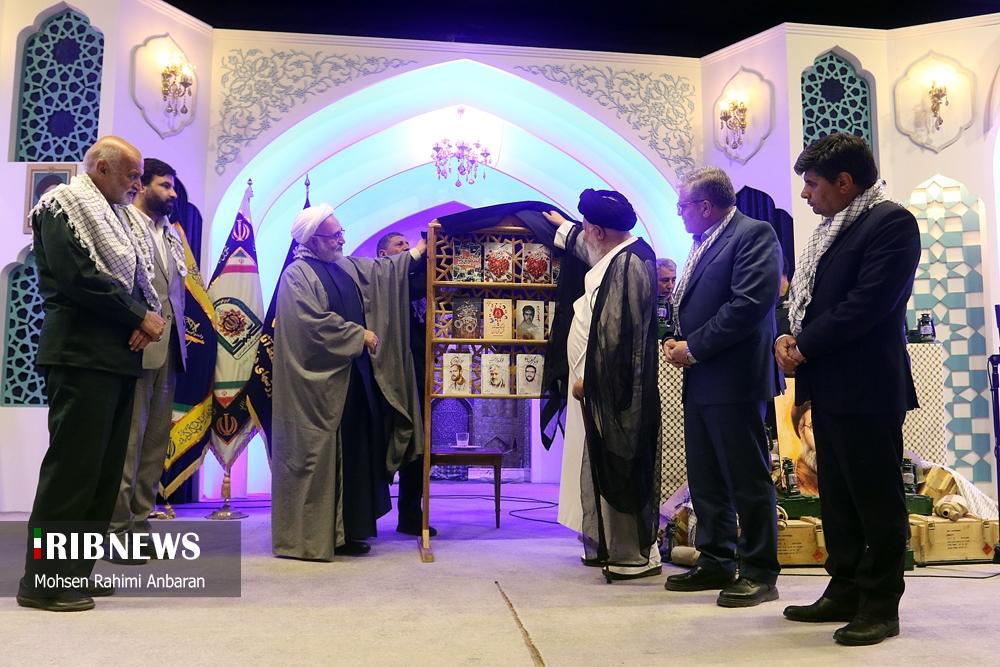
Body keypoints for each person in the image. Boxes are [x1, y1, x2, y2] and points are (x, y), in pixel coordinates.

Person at [776, 132, 920, 646]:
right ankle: (844, 589)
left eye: (812, 184)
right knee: (836, 496)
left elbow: (868, 303)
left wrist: (804, 345)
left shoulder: (891, 223)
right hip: (829, 386)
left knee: (875, 499)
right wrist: (787, 335)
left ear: (844, 182)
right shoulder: (834, 228)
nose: (805, 194)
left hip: (867, 387)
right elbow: (809, 300)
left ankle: (880, 605)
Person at [17, 136, 166, 612]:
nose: (137, 184)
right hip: (79, 355)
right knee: (72, 472)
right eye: (131, 174)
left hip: (117, 358)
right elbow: (79, 279)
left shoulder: (119, 218)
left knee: (102, 476)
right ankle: (42, 582)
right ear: (101, 168)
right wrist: (138, 316)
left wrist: (141, 319)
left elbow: (135, 282)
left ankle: (74, 573)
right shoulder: (60, 207)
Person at [271, 205, 424, 560]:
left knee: (356, 454)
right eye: (334, 236)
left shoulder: (342, 266)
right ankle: (316, 537)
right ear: (313, 240)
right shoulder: (297, 275)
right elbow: (310, 324)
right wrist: (357, 335)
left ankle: (350, 530)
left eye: (341, 233)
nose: (341, 240)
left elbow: (381, 273)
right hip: (320, 389)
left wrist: (419, 251)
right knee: (323, 460)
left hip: (354, 380)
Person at [662, 166, 781, 607]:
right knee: (706, 475)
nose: (679, 213)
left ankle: (760, 571)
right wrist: (676, 337)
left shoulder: (753, 234)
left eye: (683, 206)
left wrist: (693, 347)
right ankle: (716, 559)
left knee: (746, 478)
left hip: (734, 377)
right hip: (702, 376)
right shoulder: (703, 241)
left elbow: (747, 305)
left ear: (706, 206)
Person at [542, 189, 661, 581]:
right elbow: (587, 248)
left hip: (610, 391)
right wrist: (564, 228)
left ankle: (632, 556)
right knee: (594, 463)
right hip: (594, 388)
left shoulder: (630, 263)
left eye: (586, 228)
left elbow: (619, 337)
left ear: (597, 230)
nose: (585, 235)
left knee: (619, 464)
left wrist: (590, 382)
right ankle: (605, 545)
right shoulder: (617, 252)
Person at [106, 158, 188, 561]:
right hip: (135, 348)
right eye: (164, 185)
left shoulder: (170, 234)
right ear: (141, 186)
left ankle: (140, 524)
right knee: (129, 444)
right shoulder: (122, 227)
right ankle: (116, 531)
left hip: (168, 350)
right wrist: (136, 321)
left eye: (172, 187)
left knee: (154, 445)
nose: (172, 194)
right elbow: (117, 285)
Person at [375, 231, 435, 537]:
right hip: (387, 375)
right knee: (382, 442)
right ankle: (366, 515)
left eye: (407, 244)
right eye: (400, 245)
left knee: (418, 446)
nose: (407, 248)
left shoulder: (413, 279)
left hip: (417, 373)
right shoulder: (378, 280)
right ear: (384, 255)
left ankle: (410, 515)